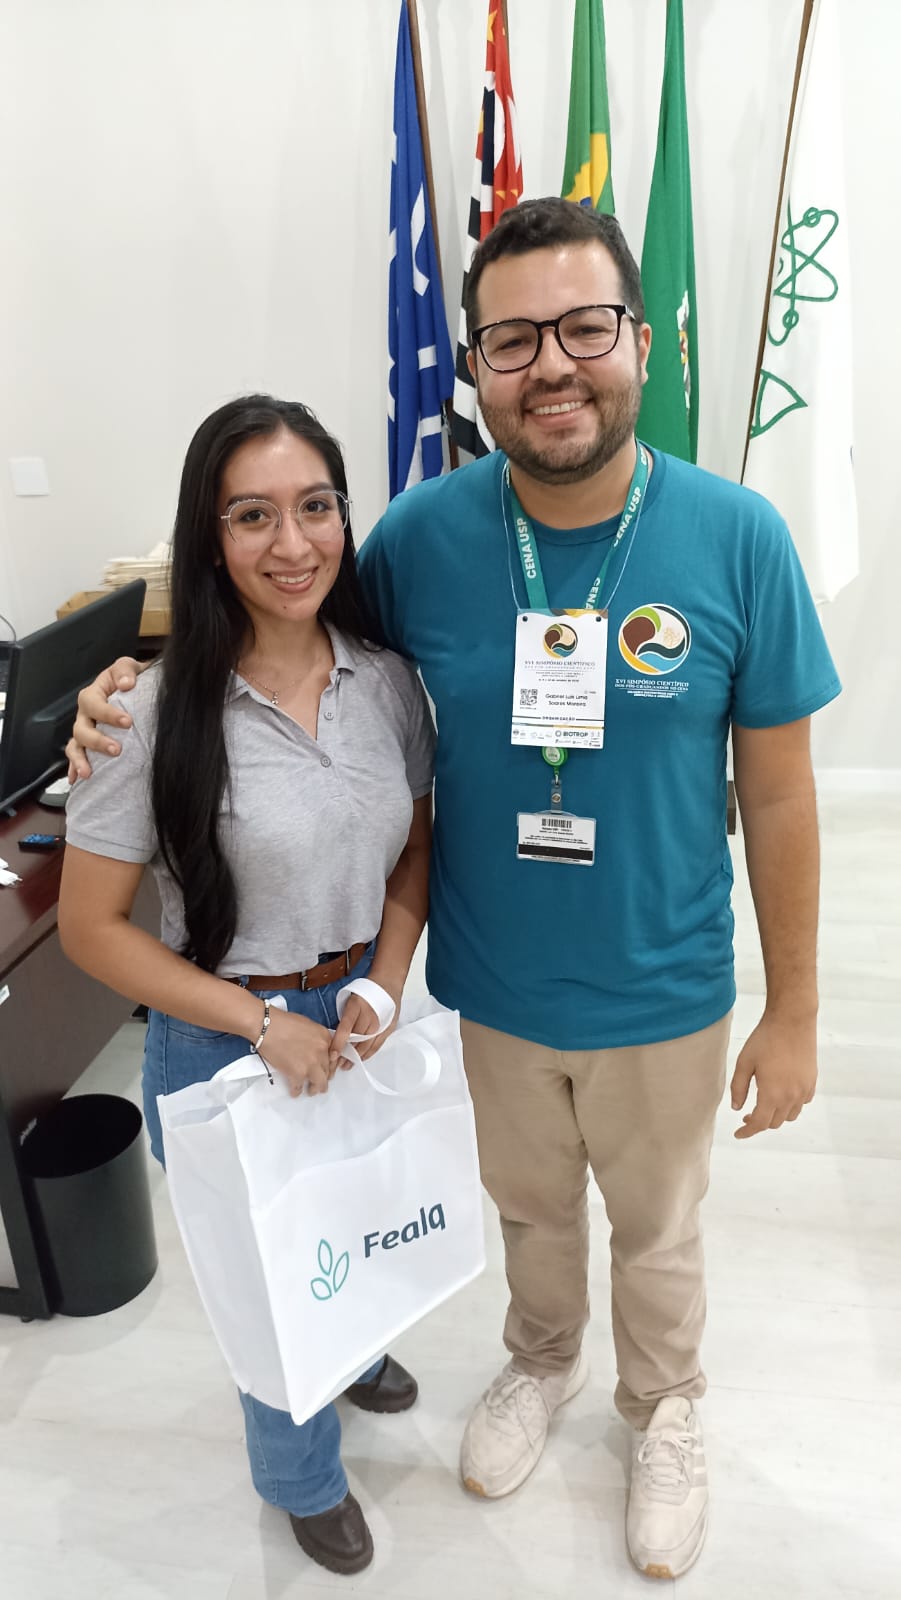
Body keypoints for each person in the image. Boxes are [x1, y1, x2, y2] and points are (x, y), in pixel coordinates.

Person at [68, 199, 841, 1582]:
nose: (552, 366)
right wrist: (117, 688)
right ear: (474, 367)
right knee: (529, 1211)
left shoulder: (740, 538)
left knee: (658, 1230)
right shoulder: (422, 537)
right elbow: (284, 625)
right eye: (513, 340)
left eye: (584, 328)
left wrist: (794, 1011)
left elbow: (779, 794)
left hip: (664, 983)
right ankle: (539, 1360)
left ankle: (664, 1406)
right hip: (486, 987)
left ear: (641, 342)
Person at [59, 395, 435, 1578]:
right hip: (223, 1033)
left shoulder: (386, 682)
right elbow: (89, 931)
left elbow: (415, 847)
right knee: (270, 1285)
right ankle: (302, 1478)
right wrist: (264, 1024)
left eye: (315, 506)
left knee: (356, 1221)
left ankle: (355, 1348)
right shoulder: (145, 715)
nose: (292, 542)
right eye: (252, 515)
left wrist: (384, 986)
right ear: (209, 536)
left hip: (357, 1017)